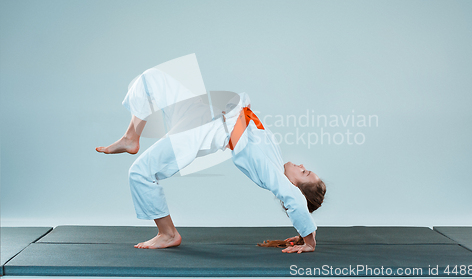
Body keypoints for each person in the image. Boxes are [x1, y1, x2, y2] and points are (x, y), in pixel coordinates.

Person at [96, 67, 326, 254]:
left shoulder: (272, 173)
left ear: (295, 185)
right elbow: (299, 202)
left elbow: (294, 198)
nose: (303, 166)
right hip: (205, 113)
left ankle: (168, 234)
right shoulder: (276, 158)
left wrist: (309, 242)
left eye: (305, 173)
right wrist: (308, 232)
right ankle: (130, 137)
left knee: (139, 172)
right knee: (151, 79)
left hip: (200, 130)